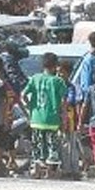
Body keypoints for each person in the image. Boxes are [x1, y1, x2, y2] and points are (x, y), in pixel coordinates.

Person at [22, 52, 68, 180]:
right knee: (52, 145)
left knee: (37, 145)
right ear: (55, 66)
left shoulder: (35, 78)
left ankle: (36, 170)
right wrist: (64, 117)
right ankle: (49, 172)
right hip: (52, 119)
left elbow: (23, 95)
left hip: (36, 118)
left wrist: (30, 107)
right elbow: (64, 101)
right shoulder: (58, 81)